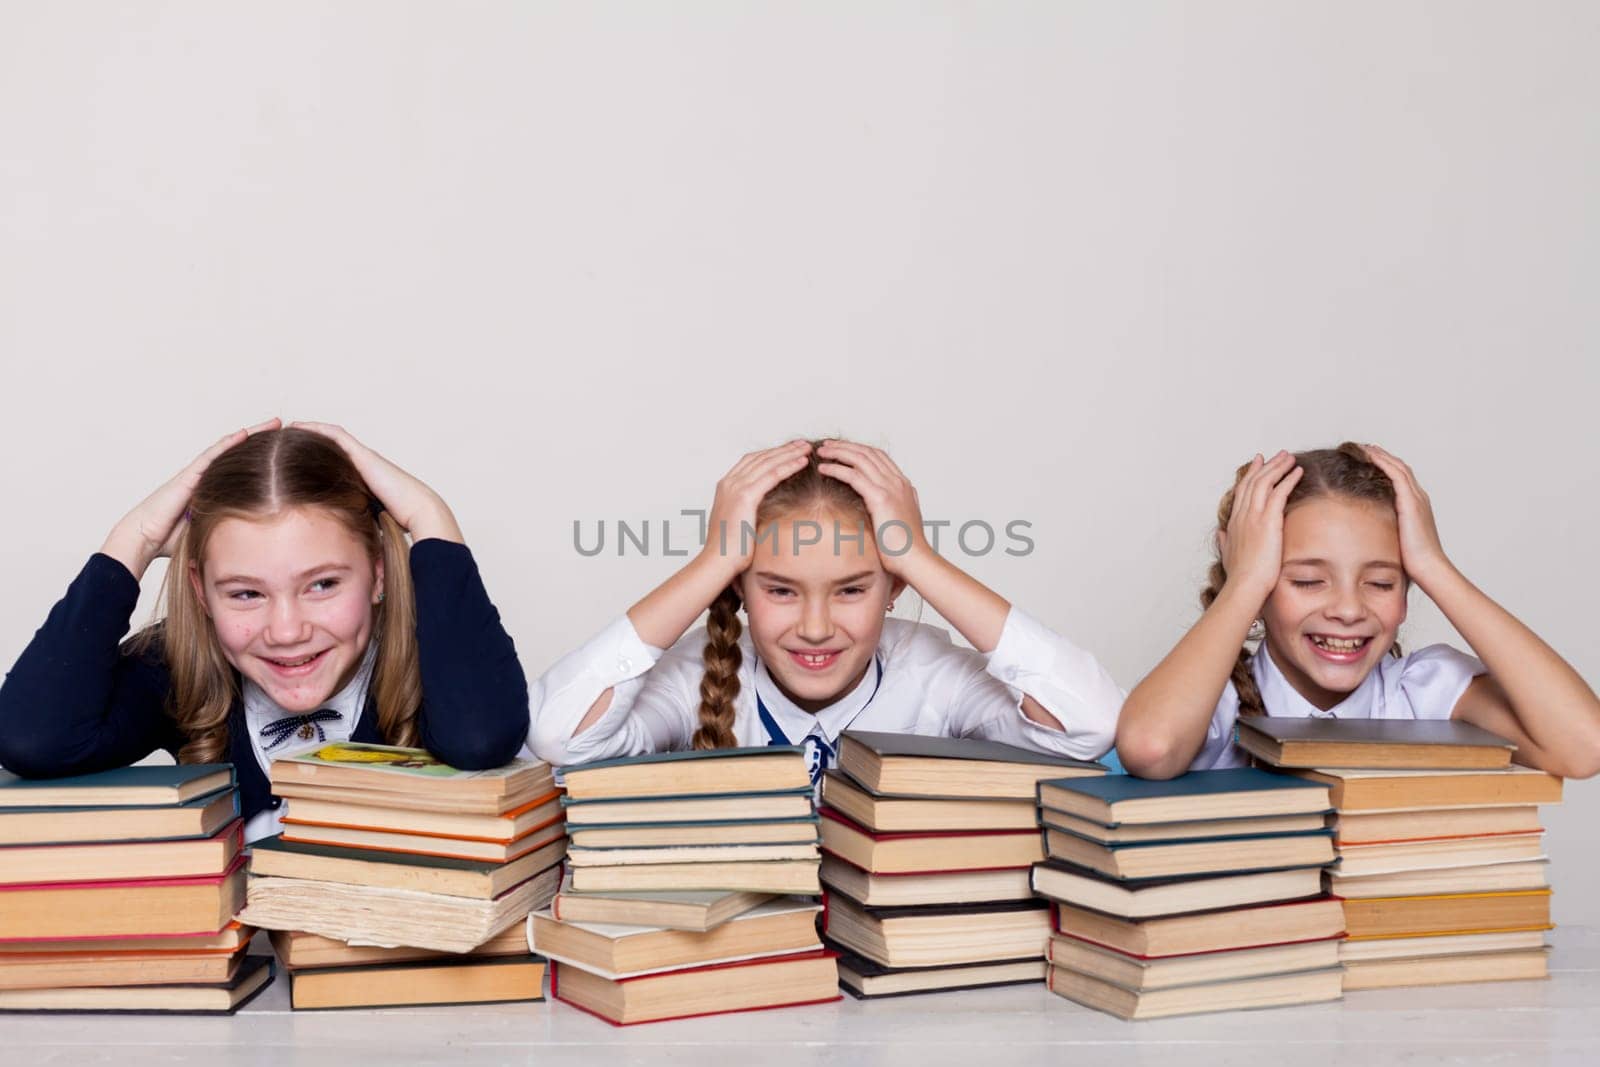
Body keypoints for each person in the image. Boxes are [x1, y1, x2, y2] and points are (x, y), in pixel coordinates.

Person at [0, 421, 529, 840]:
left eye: (321, 585)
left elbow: (481, 738)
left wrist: (430, 518)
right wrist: (133, 541)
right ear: (201, 592)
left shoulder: (435, 660)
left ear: (378, 573)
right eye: (246, 594)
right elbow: (32, 738)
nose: (286, 631)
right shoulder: (177, 666)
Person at [527, 438, 1122, 783]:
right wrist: (714, 563)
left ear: (894, 590)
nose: (815, 627)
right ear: (741, 588)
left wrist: (916, 557)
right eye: (780, 590)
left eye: (851, 590)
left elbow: (1089, 725)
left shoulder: (930, 672)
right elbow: (560, 737)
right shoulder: (695, 676)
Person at [1114, 443, 1600, 779]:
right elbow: (1150, 748)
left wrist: (1434, 566)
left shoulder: (1422, 694)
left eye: (1382, 582)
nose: (1348, 609)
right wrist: (1244, 580)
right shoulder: (1214, 704)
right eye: (1307, 580)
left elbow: (1584, 747)